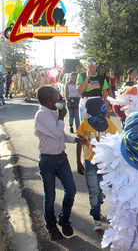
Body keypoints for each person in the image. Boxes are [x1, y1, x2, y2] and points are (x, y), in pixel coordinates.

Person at [91, 112, 138, 250]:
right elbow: (105, 168)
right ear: (128, 129)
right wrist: (116, 186)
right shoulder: (117, 147)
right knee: (125, 233)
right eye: (136, 129)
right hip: (124, 203)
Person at [34, 86, 86, 240]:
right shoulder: (42, 115)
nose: (60, 100)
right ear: (49, 99)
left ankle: (64, 219)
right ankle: (51, 225)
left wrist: (77, 139)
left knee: (70, 190)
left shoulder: (52, 113)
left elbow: (61, 135)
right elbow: (57, 133)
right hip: (47, 161)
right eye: (57, 97)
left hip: (61, 159)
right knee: (50, 196)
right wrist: (62, 118)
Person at [76, 98, 117, 232]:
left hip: (105, 164)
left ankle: (98, 208)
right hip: (90, 163)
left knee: (103, 191)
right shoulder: (85, 124)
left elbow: (115, 142)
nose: (106, 109)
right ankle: (96, 218)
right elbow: (79, 142)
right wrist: (78, 161)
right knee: (94, 189)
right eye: (103, 107)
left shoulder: (109, 124)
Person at [76, 58, 110, 122]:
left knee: (97, 125)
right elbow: (80, 91)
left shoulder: (101, 78)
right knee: (85, 125)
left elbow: (105, 95)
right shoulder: (81, 76)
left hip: (98, 102)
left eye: (93, 63)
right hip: (85, 102)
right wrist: (88, 76)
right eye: (89, 63)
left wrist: (107, 111)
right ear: (86, 66)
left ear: (96, 65)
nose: (91, 65)